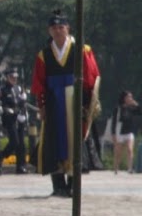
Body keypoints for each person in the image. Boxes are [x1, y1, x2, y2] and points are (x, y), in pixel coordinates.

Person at [31, 11, 100, 197]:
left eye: (61, 27)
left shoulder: (82, 50)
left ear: (68, 28)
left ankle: (73, 185)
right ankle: (58, 185)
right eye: (54, 28)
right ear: (49, 31)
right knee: (53, 141)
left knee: (74, 142)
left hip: (75, 101)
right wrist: (42, 106)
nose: (58, 31)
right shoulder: (44, 55)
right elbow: (39, 84)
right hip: (54, 102)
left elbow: (90, 78)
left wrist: (88, 103)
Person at [1, 69, 31, 174]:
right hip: (9, 118)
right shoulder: (3, 90)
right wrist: (8, 110)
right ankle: (1, 156)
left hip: (19, 117)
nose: (14, 79)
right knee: (14, 141)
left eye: (15, 77)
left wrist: (23, 100)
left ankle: (21, 166)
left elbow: (22, 104)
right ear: (6, 78)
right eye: (11, 77)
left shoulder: (18, 89)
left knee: (21, 143)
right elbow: (2, 104)